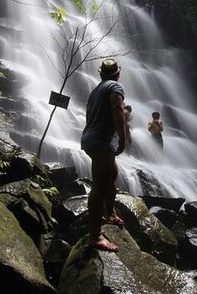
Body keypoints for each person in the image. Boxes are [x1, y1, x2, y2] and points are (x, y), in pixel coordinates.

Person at [80, 58, 128, 252]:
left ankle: (111, 213)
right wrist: (123, 139)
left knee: (112, 175)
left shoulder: (96, 90)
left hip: (91, 139)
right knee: (99, 186)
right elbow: (118, 111)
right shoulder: (115, 87)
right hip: (101, 142)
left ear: (101, 74)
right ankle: (95, 236)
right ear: (118, 74)